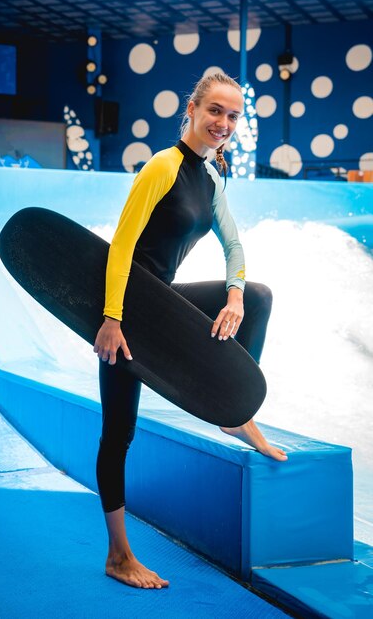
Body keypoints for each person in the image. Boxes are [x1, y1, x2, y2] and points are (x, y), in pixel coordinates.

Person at [93, 72, 288, 590]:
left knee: (260, 296)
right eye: (215, 112)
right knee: (119, 433)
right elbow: (122, 244)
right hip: (131, 311)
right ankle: (118, 555)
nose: (223, 123)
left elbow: (236, 247)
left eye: (233, 116)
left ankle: (233, 412)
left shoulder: (213, 177)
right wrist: (111, 318)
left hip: (166, 306)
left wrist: (234, 293)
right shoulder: (163, 166)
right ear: (194, 110)